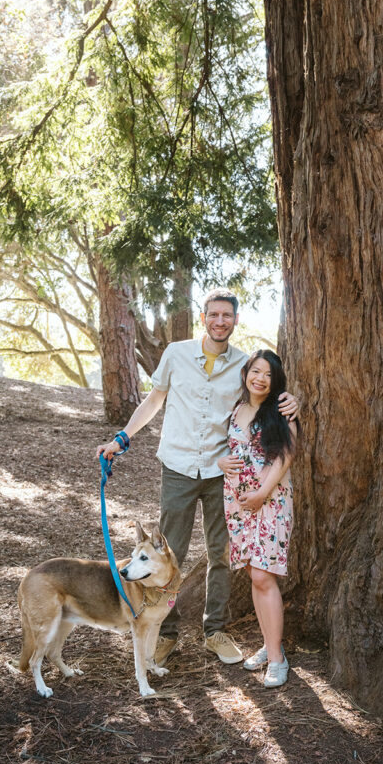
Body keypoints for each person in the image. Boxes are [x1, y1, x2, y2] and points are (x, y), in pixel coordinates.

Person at [96, 288, 298, 667]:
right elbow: (154, 399)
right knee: (167, 549)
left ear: (236, 320)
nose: (220, 321)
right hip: (177, 466)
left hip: (223, 474)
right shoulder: (176, 354)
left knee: (221, 553)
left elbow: (262, 397)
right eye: (214, 314)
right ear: (203, 317)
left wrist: (291, 401)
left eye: (227, 316)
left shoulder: (243, 365)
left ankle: (215, 630)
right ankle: (166, 632)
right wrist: (123, 436)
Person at [217, 350, 296, 688]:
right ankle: (268, 643)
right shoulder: (237, 410)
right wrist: (222, 462)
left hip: (270, 501)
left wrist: (263, 491)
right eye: (255, 371)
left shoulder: (281, 411)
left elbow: (286, 454)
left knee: (265, 575)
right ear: (246, 373)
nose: (260, 378)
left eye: (268, 374)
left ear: (275, 381)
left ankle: (278, 659)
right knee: (255, 575)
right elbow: (231, 451)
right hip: (238, 503)